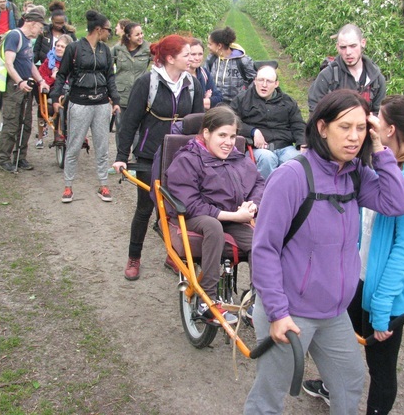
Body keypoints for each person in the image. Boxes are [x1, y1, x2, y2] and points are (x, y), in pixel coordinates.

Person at [243, 89, 404, 415]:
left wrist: (380, 150)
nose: (354, 137)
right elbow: (264, 249)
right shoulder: (292, 176)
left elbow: (396, 202)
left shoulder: (356, 175)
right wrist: (277, 313)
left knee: (349, 381)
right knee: (270, 397)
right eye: (344, 127)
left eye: (361, 128)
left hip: (333, 312)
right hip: (291, 311)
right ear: (322, 127)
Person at [303, 94, 404, 414]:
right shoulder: (378, 166)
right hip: (359, 280)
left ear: (388, 129)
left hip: (386, 294)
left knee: (380, 369)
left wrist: (381, 307)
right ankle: (328, 386)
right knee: (341, 346)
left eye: (377, 117)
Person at [113, 34, 204, 280]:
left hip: (181, 156)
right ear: (170, 58)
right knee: (145, 207)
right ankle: (134, 257)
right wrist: (122, 155)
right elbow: (129, 122)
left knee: (178, 208)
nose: (191, 59)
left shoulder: (193, 84)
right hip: (149, 154)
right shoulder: (147, 83)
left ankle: (173, 255)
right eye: (186, 55)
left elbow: (197, 124)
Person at [164, 106, 265, 324]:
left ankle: (257, 300)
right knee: (213, 226)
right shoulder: (188, 159)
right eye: (222, 135)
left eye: (232, 136)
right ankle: (206, 300)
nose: (229, 142)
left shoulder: (236, 157)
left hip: (232, 216)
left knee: (260, 241)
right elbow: (189, 203)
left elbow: (258, 182)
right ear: (206, 134)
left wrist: (252, 206)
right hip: (195, 217)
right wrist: (232, 216)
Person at [50, 10, 120, 202]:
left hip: (101, 104)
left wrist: (115, 100)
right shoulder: (74, 48)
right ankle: (68, 186)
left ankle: (104, 185)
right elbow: (62, 75)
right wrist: (55, 97)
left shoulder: (105, 50)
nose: (109, 33)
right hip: (79, 102)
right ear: (98, 29)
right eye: (108, 30)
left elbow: (110, 77)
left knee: (102, 146)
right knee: (73, 146)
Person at [0, 6, 50, 172]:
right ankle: (4, 159)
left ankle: (20, 157)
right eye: (40, 27)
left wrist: (41, 80)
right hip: (14, 89)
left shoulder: (27, 40)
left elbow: (30, 64)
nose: (41, 31)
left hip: (27, 88)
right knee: (12, 124)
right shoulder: (14, 36)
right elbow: (8, 63)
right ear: (33, 24)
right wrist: (20, 82)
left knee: (26, 124)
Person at [230, 64, 305, 179]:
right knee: (267, 159)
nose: (264, 85)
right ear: (255, 81)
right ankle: (265, 194)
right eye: (261, 80)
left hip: (284, 146)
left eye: (269, 81)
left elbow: (298, 124)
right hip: (258, 149)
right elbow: (232, 122)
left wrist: (303, 143)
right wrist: (252, 131)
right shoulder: (242, 99)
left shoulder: (288, 102)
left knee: (296, 160)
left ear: (276, 84)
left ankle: (291, 194)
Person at [308, 23, 386, 116]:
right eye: (343, 47)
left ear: (363, 43)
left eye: (353, 46)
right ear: (337, 47)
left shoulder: (376, 79)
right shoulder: (327, 76)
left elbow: (379, 113)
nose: (348, 52)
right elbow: (315, 111)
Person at [33, 0, 77, 146]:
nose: (59, 26)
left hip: (64, 80)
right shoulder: (44, 33)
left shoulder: (69, 35)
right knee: (44, 105)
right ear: (51, 21)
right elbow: (36, 52)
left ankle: (66, 132)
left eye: (61, 23)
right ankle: (41, 136)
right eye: (56, 23)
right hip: (47, 71)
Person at [111, 22, 151, 149]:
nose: (141, 37)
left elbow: (162, 62)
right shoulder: (118, 49)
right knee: (122, 128)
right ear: (128, 36)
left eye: (141, 33)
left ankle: (136, 159)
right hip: (121, 95)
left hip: (141, 96)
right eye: (137, 35)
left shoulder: (148, 49)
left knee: (139, 129)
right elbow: (106, 68)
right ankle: (122, 158)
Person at [36, 34, 74, 148]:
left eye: (62, 47)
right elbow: (41, 76)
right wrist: (51, 79)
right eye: (57, 45)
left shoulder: (73, 62)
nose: (58, 48)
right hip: (52, 89)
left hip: (68, 89)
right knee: (49, 102)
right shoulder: (49, 61)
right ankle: (41, 137)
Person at [206, 26, 256, 104]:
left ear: (219, 46)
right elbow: (205, 78)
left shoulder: (242, 60)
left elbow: (254, 80)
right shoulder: (211, 59)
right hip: (214, 104)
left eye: (210, 44)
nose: (208, 47)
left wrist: (245, 96)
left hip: (237, 105)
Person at [188, 37, 222, 110]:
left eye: (200, 54)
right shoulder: (180, 76)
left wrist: (199, 103)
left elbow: (218, 97)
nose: (197, 58)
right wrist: (206, 100)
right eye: (193, 54)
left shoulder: (204, 73)